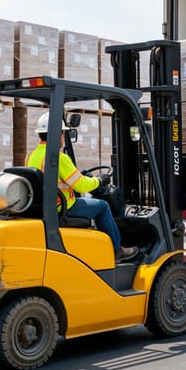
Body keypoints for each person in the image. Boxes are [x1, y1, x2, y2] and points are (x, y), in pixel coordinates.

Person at [26, 112, 138, 262]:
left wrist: (81, 174)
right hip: (63, 207)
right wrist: (99, 180)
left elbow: (63, 178)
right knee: (103, 206)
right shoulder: (58, 157)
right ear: (59, 134)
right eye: (63, 133)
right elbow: (81, 186)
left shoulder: (32, 156)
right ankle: (117, 250)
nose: (63, 137)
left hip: (44, 207)